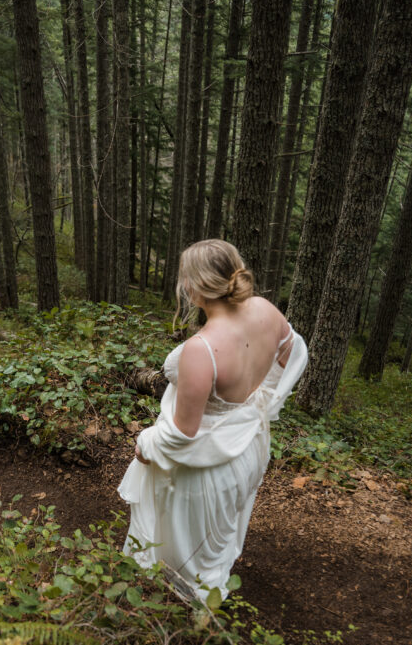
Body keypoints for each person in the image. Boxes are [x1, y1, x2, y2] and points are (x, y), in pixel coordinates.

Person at [118, 239, 308, 603]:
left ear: (192, 286)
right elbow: (294, 350)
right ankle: (209, 605)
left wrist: (144, 445)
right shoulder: (265, 310)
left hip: (207, 468)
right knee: (213, 544)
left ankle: (187, 618)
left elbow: (181, 435)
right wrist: (259, 401)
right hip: (248, 449)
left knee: (188, 556)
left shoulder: (202, 348)